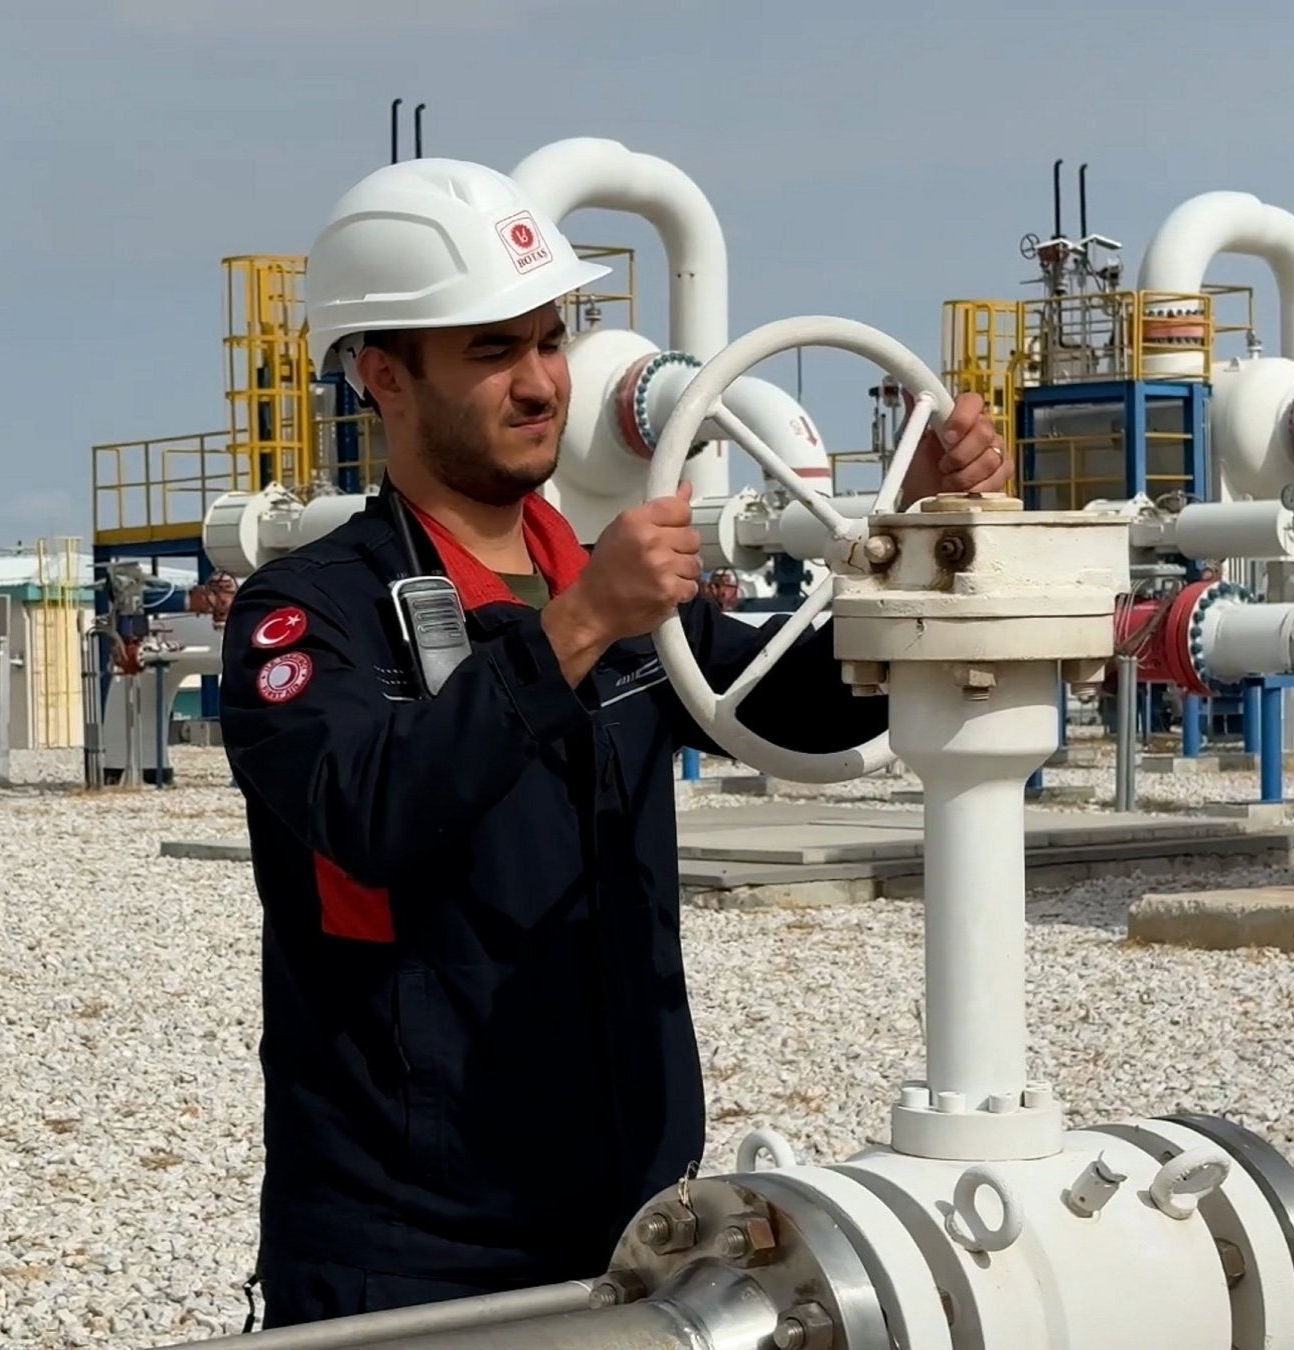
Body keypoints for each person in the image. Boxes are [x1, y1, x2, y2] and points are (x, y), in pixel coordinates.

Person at [218, 157, 1009, 1329]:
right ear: (384, 375)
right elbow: (365, 813)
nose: (542, 383)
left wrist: (918, 546)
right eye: (493, 350)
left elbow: (798, 700)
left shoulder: (595, 579)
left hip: (634, 1225)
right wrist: (579, 629)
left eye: (550, 340)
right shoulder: (312, 610)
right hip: (412, 1245)